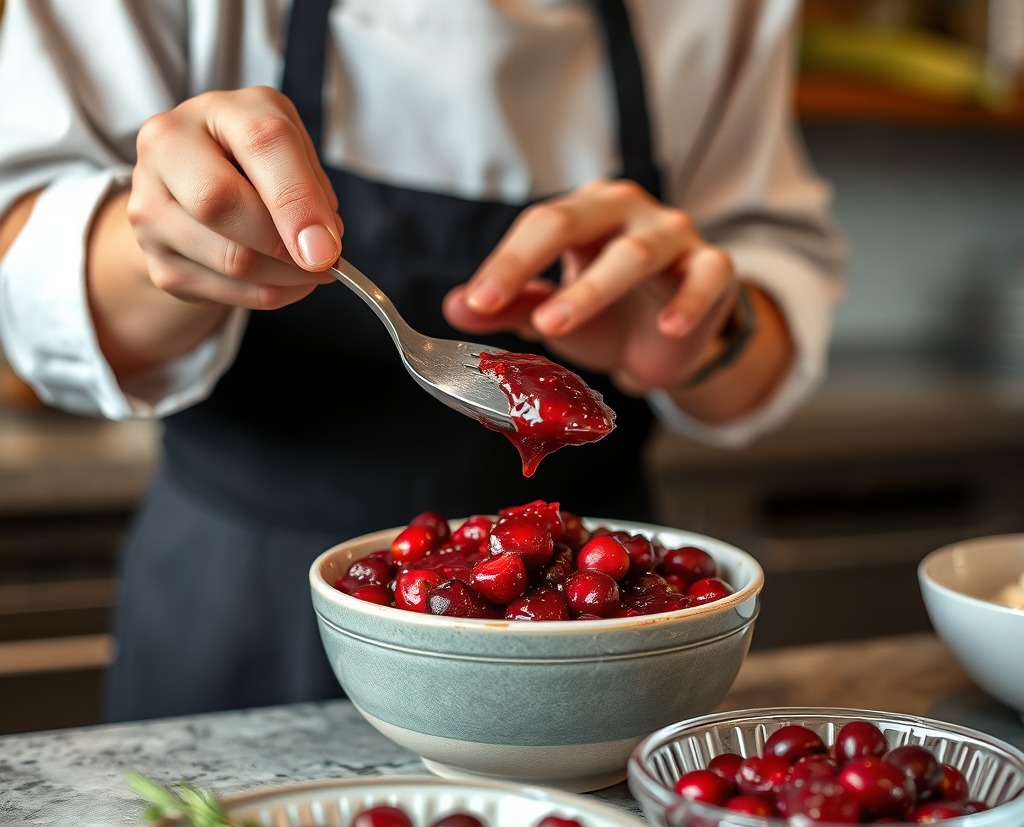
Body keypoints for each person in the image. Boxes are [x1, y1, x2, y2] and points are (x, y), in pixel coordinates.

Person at [0, 0, 844, 722]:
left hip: (597, 654)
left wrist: (705, 327)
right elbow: (18, 276)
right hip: (238, 605)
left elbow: (767, 320)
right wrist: (155, 247)